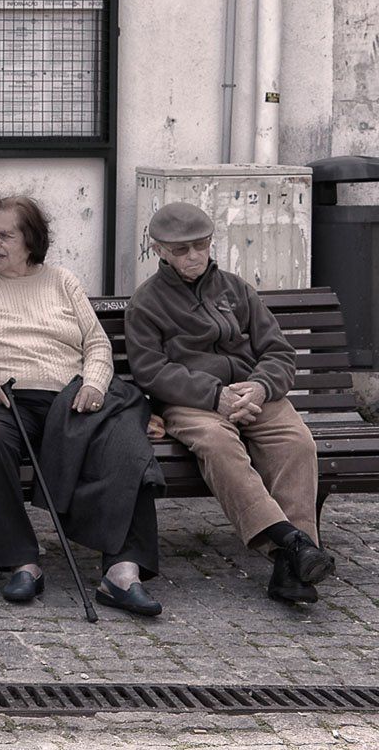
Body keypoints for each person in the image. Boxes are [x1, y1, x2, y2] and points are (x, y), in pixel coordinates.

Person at [0, 196, 165, 616]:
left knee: (126, 443)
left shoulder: (61, 280)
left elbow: (97, 342)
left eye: (5, 235)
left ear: (30, 238)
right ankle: (21, 561)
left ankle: (123, 572)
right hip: (3, 396)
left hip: (69, 396)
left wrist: (96, 384)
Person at [126, 201, 337, 606]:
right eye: (182, 249)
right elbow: (152, 372)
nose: (194, 256)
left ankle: (289, 566)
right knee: (218, 445)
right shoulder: (147, 303)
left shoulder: (236, 289)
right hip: (191, 402)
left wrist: (259, 387)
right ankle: (293, 543)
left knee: (296, 442)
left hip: (253, 394)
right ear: (160, 250)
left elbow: (278, 351)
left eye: (201, 245)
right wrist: (215, 396)